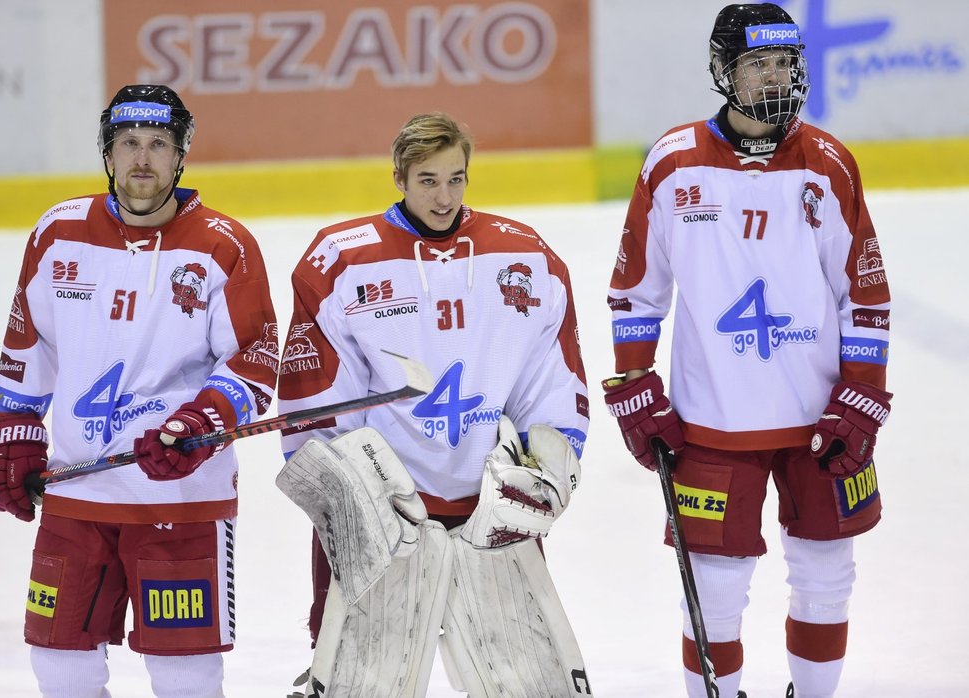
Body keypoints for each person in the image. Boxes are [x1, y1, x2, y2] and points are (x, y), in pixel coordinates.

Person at [602, 4, 893, 697]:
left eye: (784, 62)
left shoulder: (828, 164)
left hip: (819, 420)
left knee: (828, 578)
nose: (774, 77)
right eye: (757, 63)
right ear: (722, 70)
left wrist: (860, 396)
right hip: (712, 419)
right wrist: (636, 385)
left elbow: (866, 295)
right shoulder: (673, 165)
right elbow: (636, 292)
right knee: (715, 589)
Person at [0, 84, 279, 698]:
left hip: (181, 495)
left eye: (159, 144)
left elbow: (255, 361)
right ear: (108, 154)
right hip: (76, 487)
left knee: (184, 677)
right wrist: (14, 435)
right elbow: (28, 346)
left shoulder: (225, 245)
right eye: (128, 144)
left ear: (181, 155)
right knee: (58, 665)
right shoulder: (57, 232)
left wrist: (204, 423)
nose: (143, 159)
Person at [276, 112, 592, 696]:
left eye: (456, 179)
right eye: (427, 180)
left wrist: (551, 465)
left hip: (492, 510)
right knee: (358, 684)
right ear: (399, 177)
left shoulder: (525, 258)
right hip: (384, 511)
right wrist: (344, 496)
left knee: (528, 683)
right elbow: (316, 396)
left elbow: (551, 378)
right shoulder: (341, 262)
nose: (444, 197)